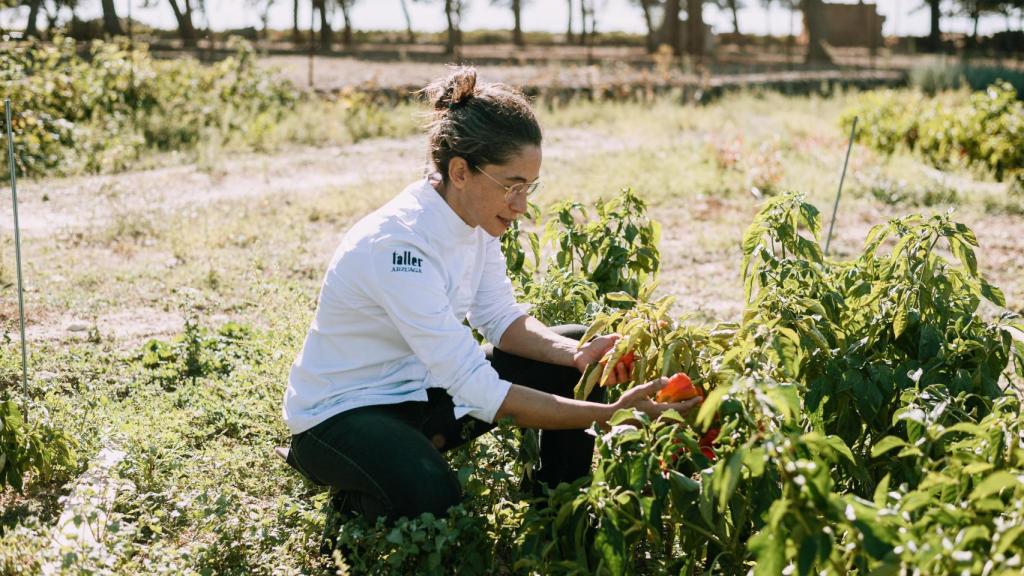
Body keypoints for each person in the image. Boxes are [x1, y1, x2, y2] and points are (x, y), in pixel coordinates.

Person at [281, 66, 702, 528]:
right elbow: (477, 387)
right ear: (460, 171)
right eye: (512, 185)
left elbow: (500, 318)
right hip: (343, 415)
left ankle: (560, 509)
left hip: (420, 392)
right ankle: (355, 500)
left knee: (575, 352)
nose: (522, 205)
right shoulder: (398, 246)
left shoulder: (476, 221)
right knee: (434, 498)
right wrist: (608, 415)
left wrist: (578, 355)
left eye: (530, 186)